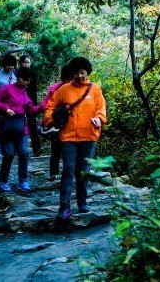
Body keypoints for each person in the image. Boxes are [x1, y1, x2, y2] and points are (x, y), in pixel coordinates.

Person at [43, 57, 106, 220]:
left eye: (83, 72)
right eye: (76, 73)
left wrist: (99, 118)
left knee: (83, 171)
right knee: (68, 171)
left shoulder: (95, 89)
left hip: (89, 136)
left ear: (88, 72)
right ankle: (64, 206)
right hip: (68, 136)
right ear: (72, 73)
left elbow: (101, 108)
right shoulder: (64, 90)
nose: (79, 76)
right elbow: (50, 106)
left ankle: (82, 202)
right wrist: (51, 121)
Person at [0, 66, 42, 193]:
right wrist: (5, 108)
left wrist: (44, 107)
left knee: (23, 152)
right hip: (7, 126)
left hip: (21, 126)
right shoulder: (7, 89)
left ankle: (23, 181)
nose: (25, 82)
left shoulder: (25, 93)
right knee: (9, 154)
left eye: (28, 80)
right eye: (23, 79)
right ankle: (3, 181)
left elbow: (30, 108)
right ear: (18, 77)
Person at [39, 63, 75, 182]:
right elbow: (45, 104)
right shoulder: (56, 90)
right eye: (67, 79)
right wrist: (54, 115)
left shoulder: (77, 90)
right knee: (56, 149)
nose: (69, 81)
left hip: (71, 124)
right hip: (57, 125)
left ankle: (68, 173)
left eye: (71, 79)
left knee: (69, 151)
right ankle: (53, 173)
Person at [19, 54, 42, 156]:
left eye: (28, 63)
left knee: (32, 125)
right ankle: (18, 147)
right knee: (19, 125)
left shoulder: (33, 74)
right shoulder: (17, 74)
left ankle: (37, 148)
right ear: (21, 63)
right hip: (18, 103)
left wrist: (34, 105)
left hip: (30, 104)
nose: (26, 64)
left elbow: (34, 91)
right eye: (25, 62)